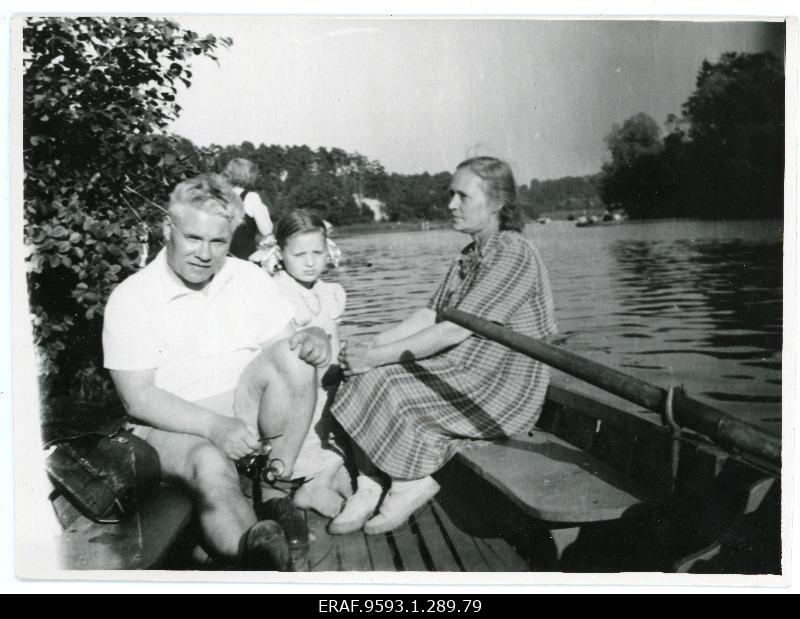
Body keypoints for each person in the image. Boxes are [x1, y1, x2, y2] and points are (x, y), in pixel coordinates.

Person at [102, 174, 331, 570]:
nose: (205, 254)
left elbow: (286, 350)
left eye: (218, 242)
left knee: (294, 356)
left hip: (240, 412)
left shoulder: (248, 277)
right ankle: (255, 557)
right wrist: (215, 428)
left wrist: (314, 339)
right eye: (193, 238)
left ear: (231, 238)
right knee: (209, 462)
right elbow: (137, 397)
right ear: (167, 229)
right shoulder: (132, 297)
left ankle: (276, 486)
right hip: (170, 425)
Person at [328, 156, 557, 535]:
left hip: (503, 387)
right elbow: (432, 314)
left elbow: (453, 332)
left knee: (381, 376)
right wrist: (371, 345)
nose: (451, 204)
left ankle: (408, 483)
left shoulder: (514, 252)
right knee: (357, 373)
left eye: (462, 196)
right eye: (451, 194)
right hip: (468, 370)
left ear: (497, 203)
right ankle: (367, 487)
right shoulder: (469, 255)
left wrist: (377, 358)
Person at [237, 210, 351, 518]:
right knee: (316, 433)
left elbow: (335, 345)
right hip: (293, 396)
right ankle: (311, 484)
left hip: (325, 387)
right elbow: (280, 360)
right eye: (299, 254)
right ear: (280, 253)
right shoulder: (276, 291)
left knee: (345, 418)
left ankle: (331, 476)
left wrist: (346, 370)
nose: (310, 261)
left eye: (318, 252)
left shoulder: (331, 293)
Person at [222, 158, 274, 261]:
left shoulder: (220, 195)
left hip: (220, 258)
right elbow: (267, 231)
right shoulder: (251, 197)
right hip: (243, 260)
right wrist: (263, 209)